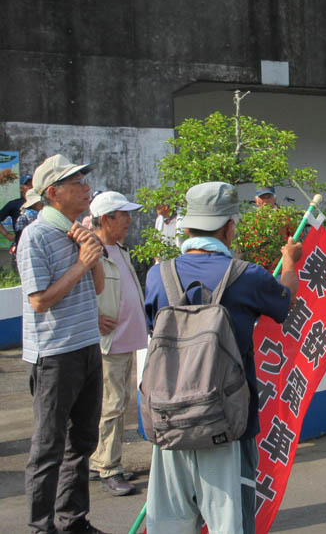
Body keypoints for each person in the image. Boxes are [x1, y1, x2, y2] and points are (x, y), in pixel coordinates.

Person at [144, 181, 302, 534]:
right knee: (230, 524)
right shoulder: (247, 276)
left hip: (169, 420)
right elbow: (286, 301)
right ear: (229, 227)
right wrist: (290, 262)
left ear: (187, 228)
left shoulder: (158, 276)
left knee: (169, 523)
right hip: (227, 424)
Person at [17, 154, 107, 534]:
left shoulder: (76, 231)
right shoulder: (35, 236)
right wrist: (82, 263)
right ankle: (41, 527)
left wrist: (93, 255)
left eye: (85, 182)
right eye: (77, 183)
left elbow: (97, 288)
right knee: (48, 447)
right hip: (54, 355)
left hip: (86, 347)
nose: (87, 189)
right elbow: (39, 301)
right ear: (53, 193)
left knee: (82, 440)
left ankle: (73, 521)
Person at [87, 191, 146, 497]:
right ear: (106, 218)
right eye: (123, 215)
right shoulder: (91, 251)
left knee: (117, 403)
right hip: (110, 343)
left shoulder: (117, 249)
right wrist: (93, 316)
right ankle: (109, 467)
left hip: (126, 340)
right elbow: (78, 291)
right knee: (112, 404)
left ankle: (101, 459)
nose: (129, 220)